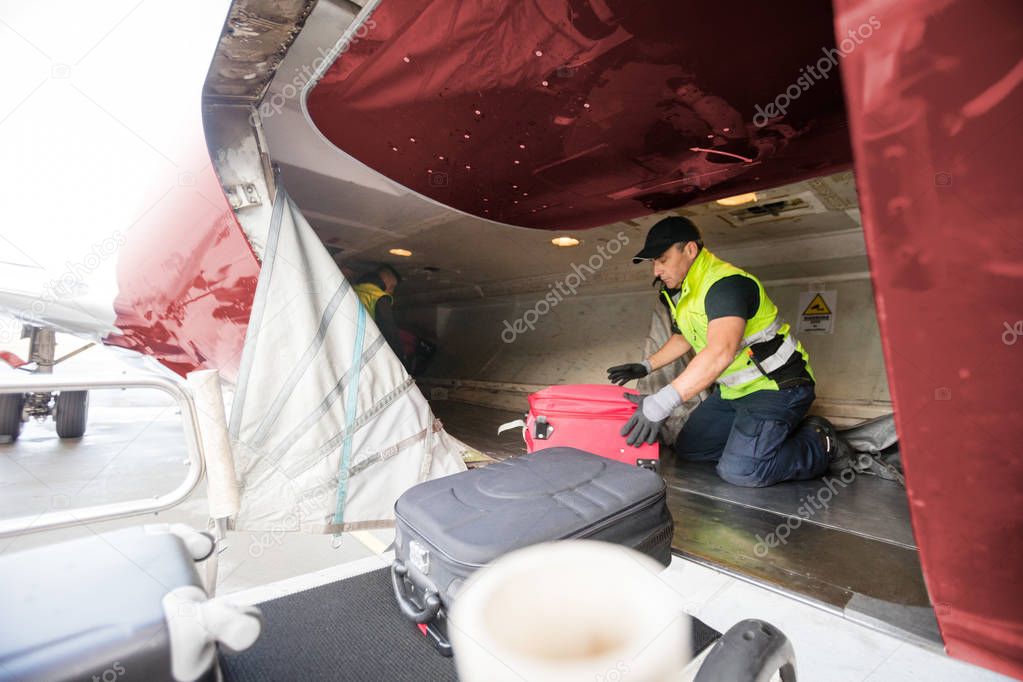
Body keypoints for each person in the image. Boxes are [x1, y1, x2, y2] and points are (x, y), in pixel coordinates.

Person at [608, 216, 848, 487]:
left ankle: (819, 440)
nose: (656, 270)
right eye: (653, 262)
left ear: (690, 250)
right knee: (690, 450)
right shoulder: (684, 291)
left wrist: (661, 402)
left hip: (777, 387)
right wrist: (646, 366)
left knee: (741, 472)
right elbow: (684, 337)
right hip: (732, 392)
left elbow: (721, 351)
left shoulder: (726, 284)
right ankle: (755, 442)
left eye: (662, 259)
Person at [354, 264, 404, 360]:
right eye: (392, 286)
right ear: (384, 280)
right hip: (365, 349)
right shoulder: (379, 297)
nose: (392, 291)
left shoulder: (352, 289)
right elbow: (389, 331)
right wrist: (401, 359)